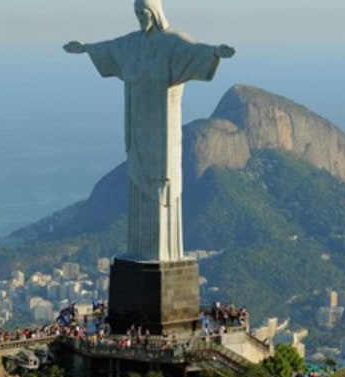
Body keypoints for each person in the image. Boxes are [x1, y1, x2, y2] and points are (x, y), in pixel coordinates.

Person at [64, 0, 234, 261]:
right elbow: (110, 48)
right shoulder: (132, 43)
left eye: (143, 13)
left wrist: (215, 53)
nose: (140, 18)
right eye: (136, 14)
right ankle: (141, 250)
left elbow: (194, 52)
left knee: (163, 180)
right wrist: (85, 49)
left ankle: (164, 252)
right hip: (137, 124)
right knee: (137, 178)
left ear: (155, 13)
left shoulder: (172, 42)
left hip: (163, 127)